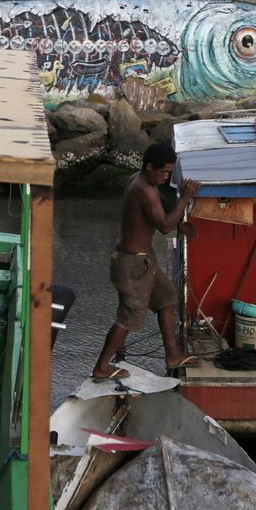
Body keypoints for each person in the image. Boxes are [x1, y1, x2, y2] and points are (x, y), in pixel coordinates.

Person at [92, 142, 202, 381]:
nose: (166, 177)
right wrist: (185, 198)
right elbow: (163, 226)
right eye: (163, 172)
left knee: (167, 298)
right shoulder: (142, 189)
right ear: (149, 166)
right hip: (131, 264)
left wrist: (180, 223)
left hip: (145, 260)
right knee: (129, 318)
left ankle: (172, 355)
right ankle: (101, 366)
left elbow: (160, 206)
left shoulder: (143, 181)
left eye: (169, 173)